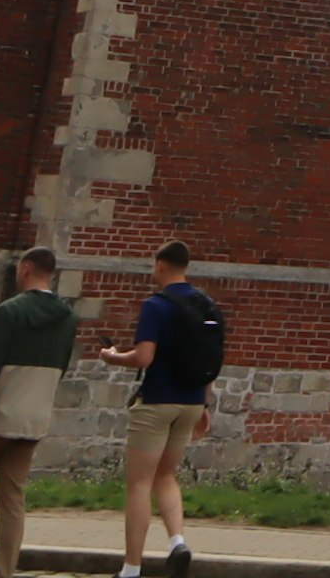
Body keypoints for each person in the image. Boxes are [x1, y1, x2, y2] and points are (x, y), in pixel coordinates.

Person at [0, 247, 77, 578]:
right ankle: (4, 569)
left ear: (26, 269)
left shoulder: (9, 313)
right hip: (34, 419)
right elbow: (61, 367)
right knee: (12, 497)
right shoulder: (68, 318)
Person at [98, 241, 220, 578]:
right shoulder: (207, 304)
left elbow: (143, 358)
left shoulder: (156, 305)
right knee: (167, 476)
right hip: (193, 401)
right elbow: (210, 360)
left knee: (139, 483)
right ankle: (177, 542)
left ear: (162, 265)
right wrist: (205, 403)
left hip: (157, 401)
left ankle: (131, 569)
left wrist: (112, 356)